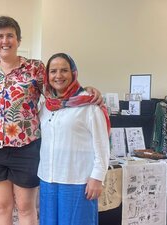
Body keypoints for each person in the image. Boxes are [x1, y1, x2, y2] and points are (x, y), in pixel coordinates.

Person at [0, 16, 103, 225]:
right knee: (1, 207)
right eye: (0, 36)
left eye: (10, 36)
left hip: (26, 149)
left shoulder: (34, 68)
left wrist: (86, 91)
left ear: (18, 40)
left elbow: (59, 87)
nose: (5, 40)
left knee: (26, 208)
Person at [37, 53, 110, 225]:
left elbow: (102, 144)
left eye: (64, 70)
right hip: (48, 179)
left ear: (73, 73)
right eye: (53, 71)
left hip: (78, 181)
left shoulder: (89, 105)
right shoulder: (45, 104)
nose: (58, 76)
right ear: (47, 76)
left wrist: (97, 177)